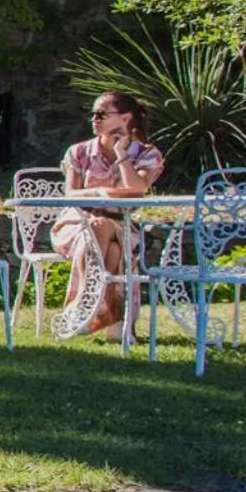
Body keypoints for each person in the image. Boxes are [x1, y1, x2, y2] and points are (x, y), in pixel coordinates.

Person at [51, 92, 163, 339]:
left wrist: (122, 154)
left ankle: (85, 308)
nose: (94, 119)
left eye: (101, 114)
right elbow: (71, 194)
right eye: (93, 114)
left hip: (121, 225)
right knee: (103, 233)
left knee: (108, 239)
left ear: (125, 118)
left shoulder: (146, 154)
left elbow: (137, 187)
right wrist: (101, 192)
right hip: (75, 222)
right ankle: (111, 319)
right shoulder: (79, 152)